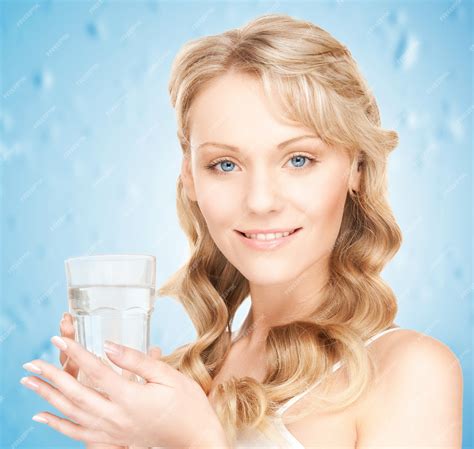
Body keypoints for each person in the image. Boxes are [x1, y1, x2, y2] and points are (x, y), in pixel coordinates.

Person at [52, 13, 462, 448]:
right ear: (189, 176)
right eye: (225, 164)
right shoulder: (180, 384)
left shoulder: (411, 372)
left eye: (299, 159)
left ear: (356, 167)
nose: (261, 201)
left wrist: (196, 442)